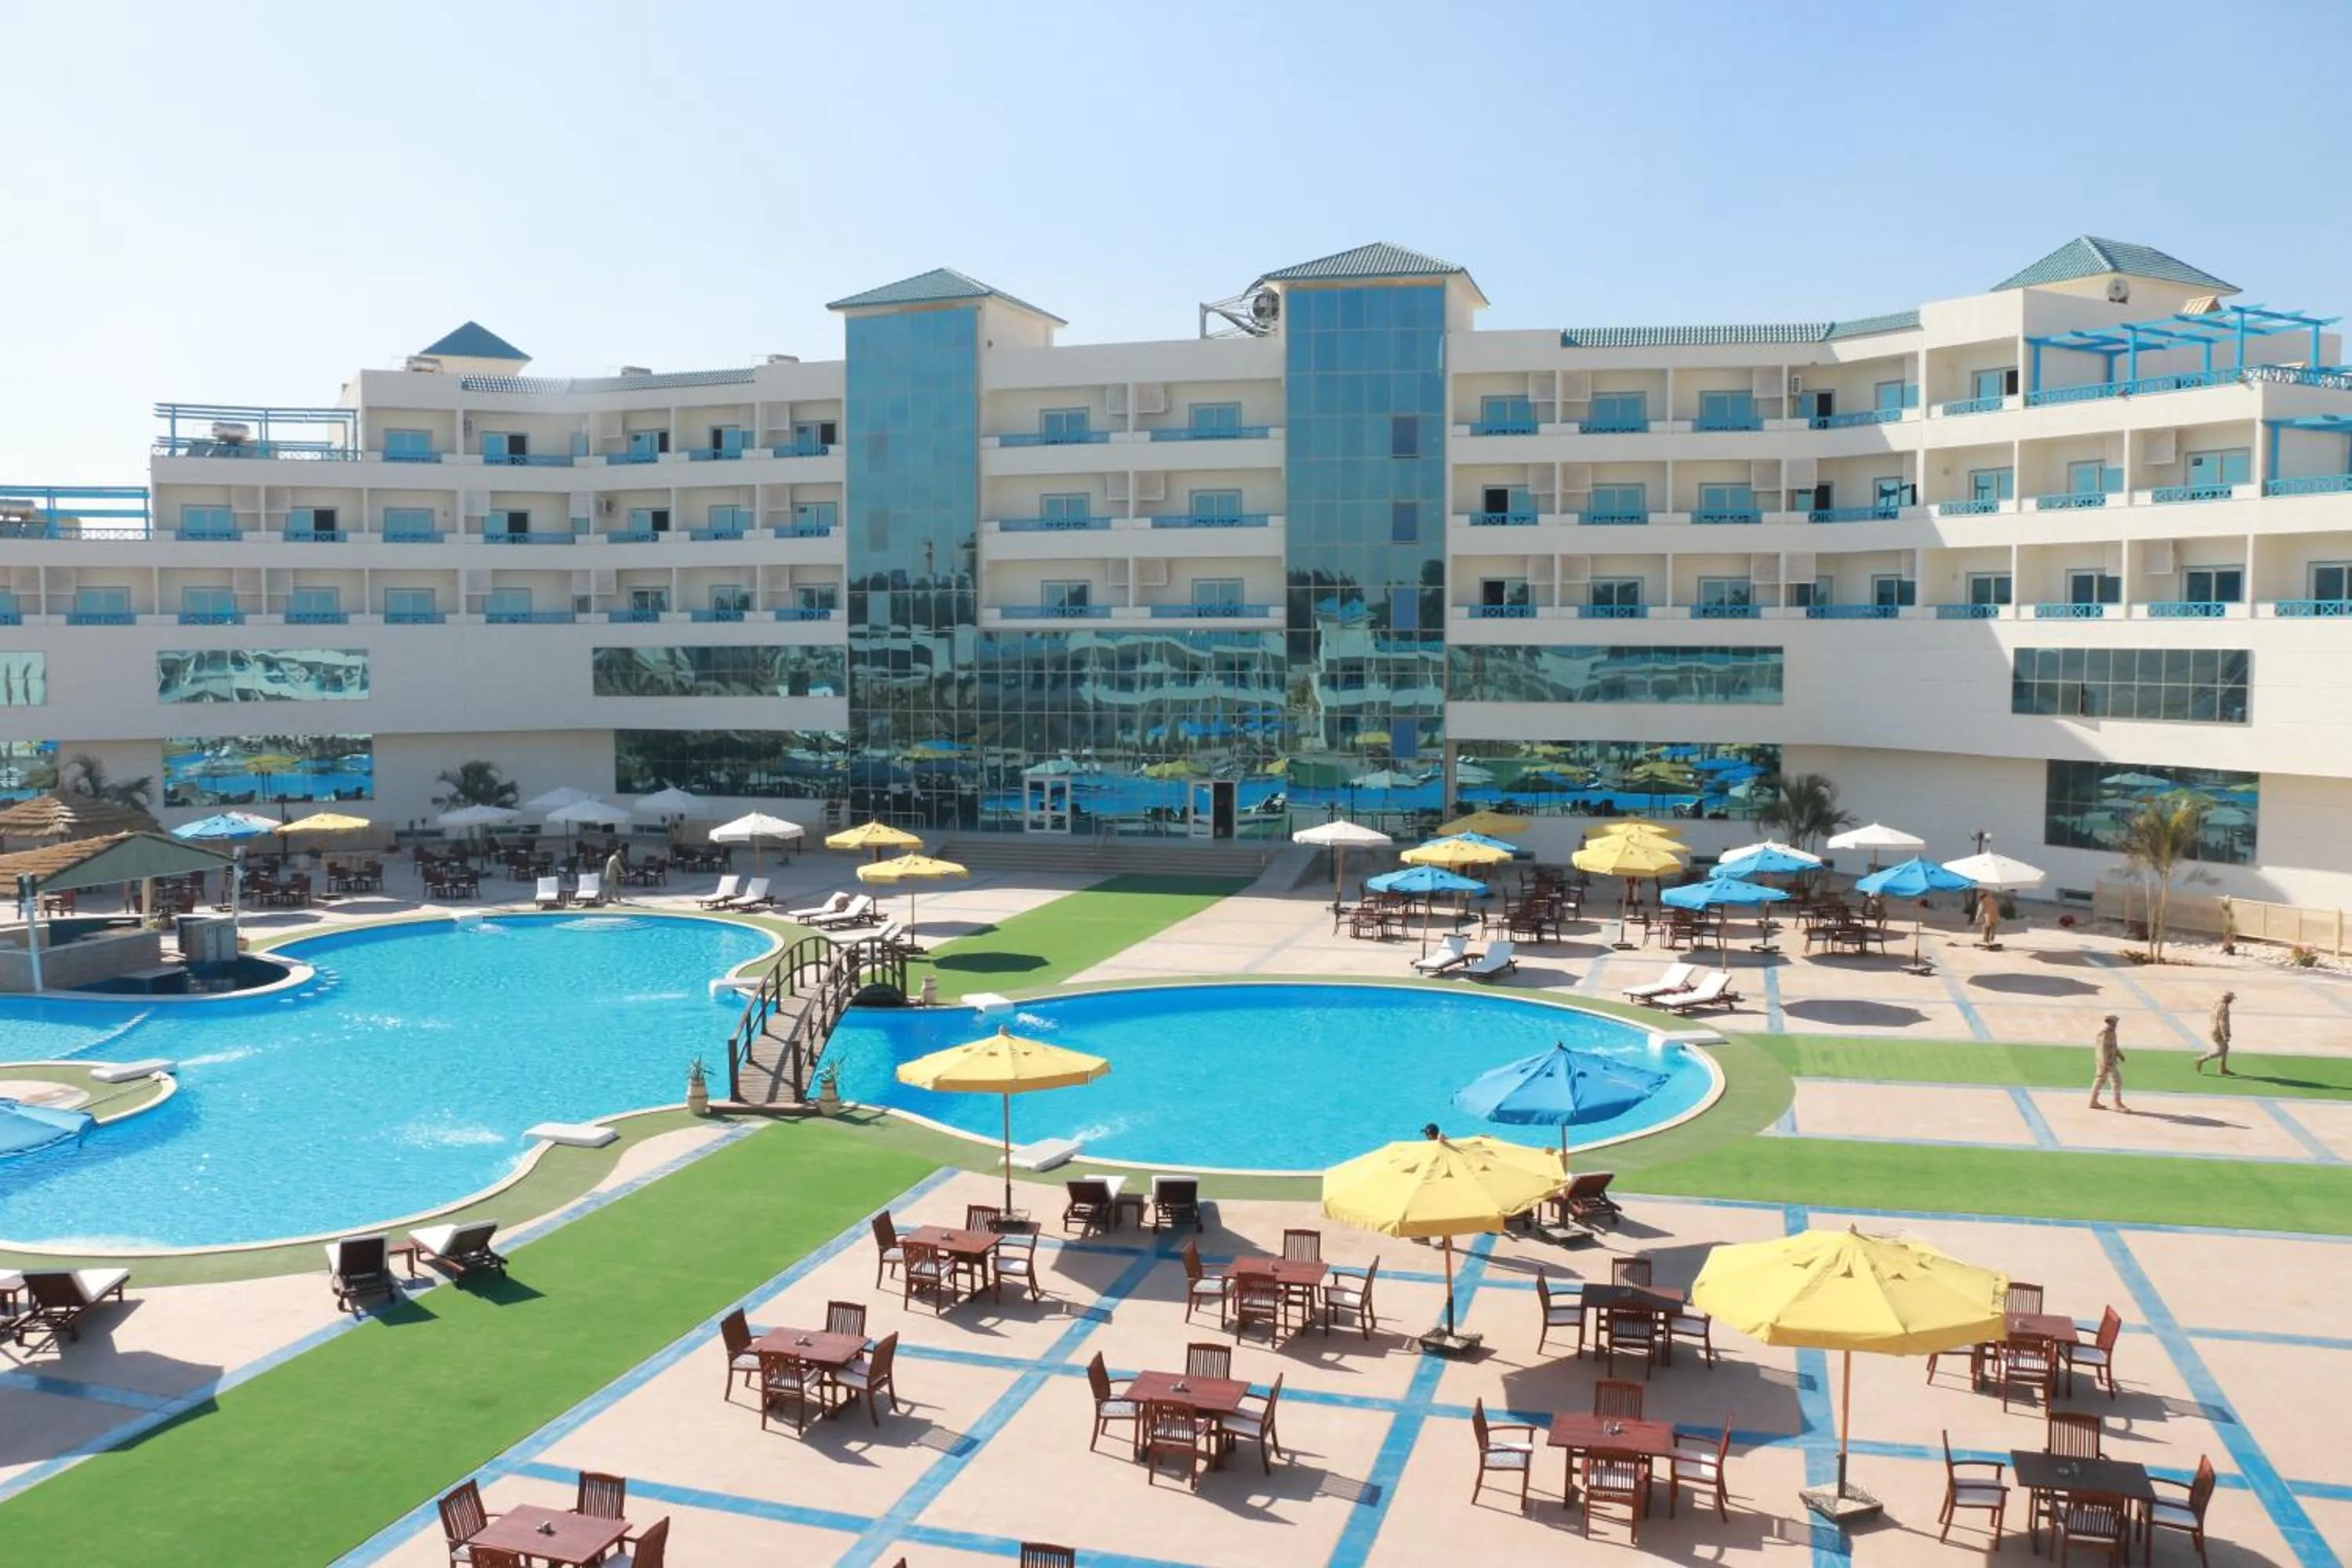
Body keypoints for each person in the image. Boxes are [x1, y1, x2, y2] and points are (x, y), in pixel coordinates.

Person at [2089, 1014, 2129, 1112]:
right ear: (2110, 1022)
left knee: (2100, 1080)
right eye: (2115, 1022)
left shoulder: (2111, 1031)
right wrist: (2104, 1063)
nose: (2116, 1024)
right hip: (2107, 1061)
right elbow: (2102, 1048)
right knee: (2116, 1081)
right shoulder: (2105, 1032)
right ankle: (2117, 1103)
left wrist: (2119, 1054)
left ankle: (2093, 1101)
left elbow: (2113, 1045)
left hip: (2108, 1060)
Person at [2196, 991, 2236, 1076]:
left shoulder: (2217, 1004)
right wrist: (2225, 1035)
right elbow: (2222, 1022)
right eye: (2231, 999)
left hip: (2213, 1028)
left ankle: (2222, 1068)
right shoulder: (2224, 1008)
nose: (2232, 1001)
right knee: (2221, 1050)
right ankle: (2201, 1059)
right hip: (2218, 1031)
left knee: (2225, 1048)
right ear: (2228, 999)